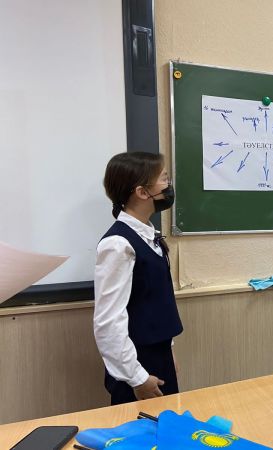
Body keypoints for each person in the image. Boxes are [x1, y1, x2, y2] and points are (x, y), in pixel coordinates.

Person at [94, 152, 183, 405]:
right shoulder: (118, 244)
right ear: (142, 192)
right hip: (137, 366)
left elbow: (155, 302)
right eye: (164, 179)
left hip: (158, 356)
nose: (169, 185)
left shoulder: (150, 236)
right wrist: (137, 377)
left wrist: (169, 351)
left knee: (168, 423)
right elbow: (108, 320)